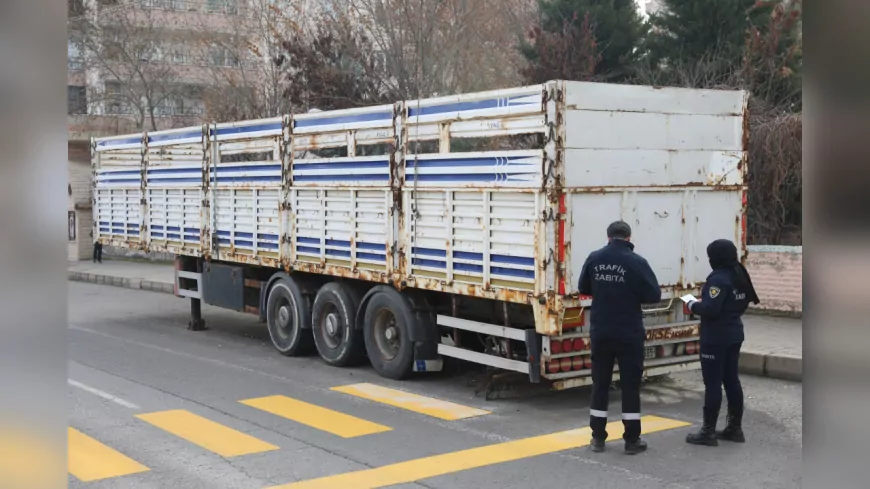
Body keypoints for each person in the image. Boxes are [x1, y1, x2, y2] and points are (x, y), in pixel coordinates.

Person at [578, 220, 662, 454]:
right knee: (630, 386)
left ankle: (597, 438)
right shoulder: (637, 262)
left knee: (600, 385)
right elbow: (654, 294)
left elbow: (583, 287)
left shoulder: (594, 258)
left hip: (602, 330)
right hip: (628, 332)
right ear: (628, 237)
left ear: (608, 237)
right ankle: (632, 440)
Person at [684, 239, 760, 446]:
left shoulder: (718, 279)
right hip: (735, 333)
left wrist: (692, 304)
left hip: (715, 337)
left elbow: (711, 310)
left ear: (715, 258)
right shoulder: (739, 273)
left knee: (713, 384)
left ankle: (708, 432)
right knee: (731, 380)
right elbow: (745, 301)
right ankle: (734, 428)